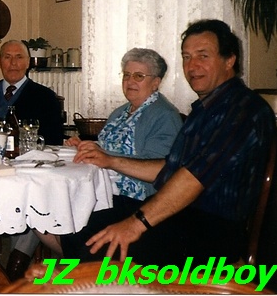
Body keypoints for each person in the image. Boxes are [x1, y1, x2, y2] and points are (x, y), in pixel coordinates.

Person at [59, 19, 275, 266]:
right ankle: (76, 279)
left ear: (229, 60)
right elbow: (170, 168)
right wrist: (111, 161)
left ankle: (86, 280)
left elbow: (192, 178)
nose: (192, 66)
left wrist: (136, 223)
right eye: (186, 57)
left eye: (203, 56)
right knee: (81, 222)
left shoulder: (243, 110)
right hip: (184, 217)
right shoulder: (206, 109)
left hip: (212, 233)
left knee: (100, 245)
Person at [36, 48, 183, 256]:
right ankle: (76, 261)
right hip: (103, 190)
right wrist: (86, 146)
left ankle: (82, 265)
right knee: (47, 206)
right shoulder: (121, 112)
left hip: (135, 199)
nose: (130, 81)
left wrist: (107, 158)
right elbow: (109, 149)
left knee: (74, 220)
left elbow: (159, 169)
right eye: (127, 75)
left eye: (139, 76)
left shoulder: (164, 116)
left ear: (156, 82)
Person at [0, 39, 64, 280]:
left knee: (33, 198)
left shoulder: (45, 97)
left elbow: (54, 140)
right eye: (7, 57)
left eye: (19, 57)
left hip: (25, 174)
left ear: (28, 63)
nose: (13, 63)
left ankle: (17, 261)